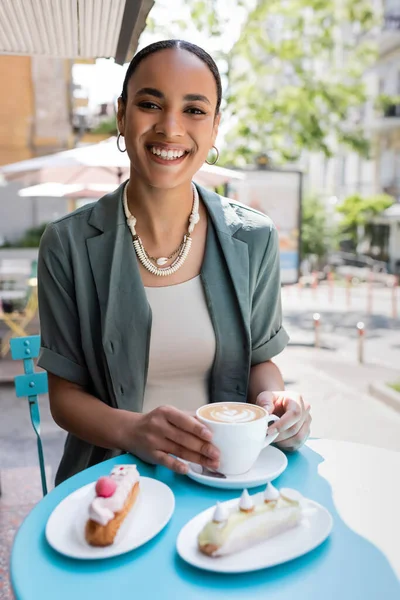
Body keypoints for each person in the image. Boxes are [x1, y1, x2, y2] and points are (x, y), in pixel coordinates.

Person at [37, 40, 311, 485]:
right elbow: (65, 397)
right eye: (150, 104)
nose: (170, 127)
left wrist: (275, 399)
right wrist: (134, 430)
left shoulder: (254, 237)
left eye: (194, 110)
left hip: (229, 478)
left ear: (215, 127)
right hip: (111, 481)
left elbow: (261, 360)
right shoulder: (66, 243)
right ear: (122, 115)